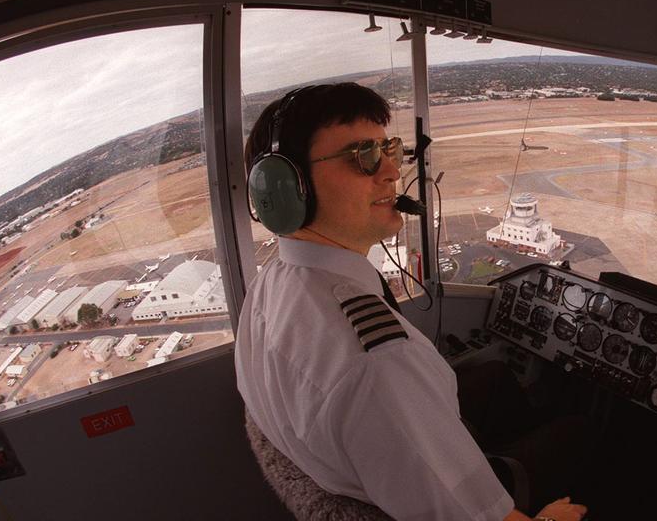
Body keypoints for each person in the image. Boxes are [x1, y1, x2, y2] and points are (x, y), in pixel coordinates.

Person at [235, 83, 587, 521]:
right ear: (288, 188)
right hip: (412, 490)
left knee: (495, 374)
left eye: (388, 149)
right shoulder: (378, 364)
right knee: (579, 433)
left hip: (334, 459)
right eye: (361, 156)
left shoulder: (271, 283)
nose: (391, 173)